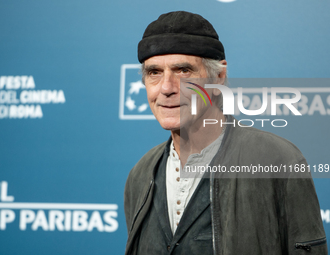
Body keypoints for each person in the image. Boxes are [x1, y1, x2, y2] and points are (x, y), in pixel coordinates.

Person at [124, 11, 327, 255]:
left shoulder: (278, 161)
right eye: (154, 73)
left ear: (218, 77)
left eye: (183, 71)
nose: (166, 88)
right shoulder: (140, 174)